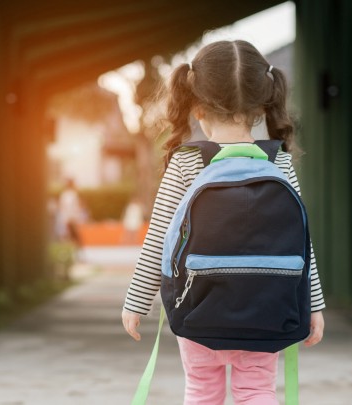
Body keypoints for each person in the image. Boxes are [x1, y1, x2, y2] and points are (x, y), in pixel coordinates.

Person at [121, 40, 326, 405]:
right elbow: (301, 242)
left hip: (200, 309)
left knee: (202, 393)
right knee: (257, 392)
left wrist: (137, 302)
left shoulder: (186, 163)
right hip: (268, 309)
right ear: (263, 105)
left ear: (196, 105)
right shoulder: (277, 163)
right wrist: (313, 305)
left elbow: (158, 241)